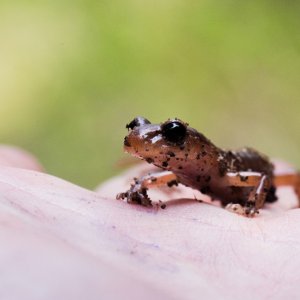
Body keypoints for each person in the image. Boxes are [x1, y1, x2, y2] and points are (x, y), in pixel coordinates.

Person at [0, 145, 299, 300]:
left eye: (172, 133)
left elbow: (262, 178)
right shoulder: (177, 172)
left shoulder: (228, 170)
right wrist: (136, 188)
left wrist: (250, 208)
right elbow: (152, 177)